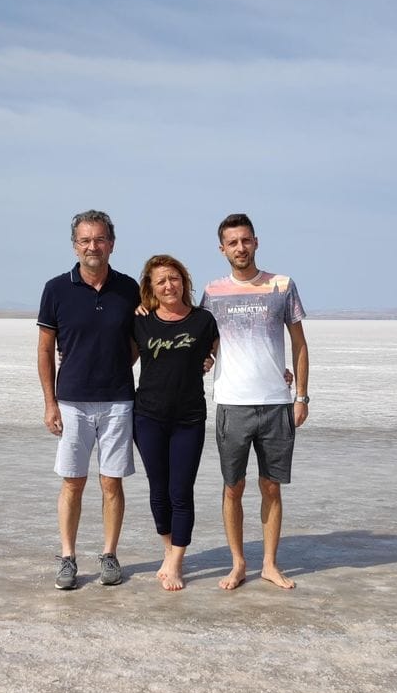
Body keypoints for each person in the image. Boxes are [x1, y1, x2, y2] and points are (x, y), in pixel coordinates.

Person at [201, 213, 309, 591]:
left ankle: (269, 564)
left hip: (276, 404)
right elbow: (206, 341)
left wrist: (301, 396)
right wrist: (206, 359)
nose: (240, 248)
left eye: (245, 240)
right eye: (232, 243)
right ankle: (237, 563)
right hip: (232, 404)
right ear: (222, 249)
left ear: (256, 242)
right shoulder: (212, 292)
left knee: (271, 487)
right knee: (233, 487)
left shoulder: (281, 285)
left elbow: (299, 343)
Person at [37, 211, 140, 590]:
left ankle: (109, 554)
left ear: (111, 244)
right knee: (73, 483)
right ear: (74, 245)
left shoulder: (129, 289)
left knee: (112, 483)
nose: (92, 247)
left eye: (99, 240)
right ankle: (67, 557)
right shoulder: (56, 289)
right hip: (72, 402)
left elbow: (139, 341)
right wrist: (50, 402)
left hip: (117, 402)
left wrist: (113, 366)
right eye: (85, 240)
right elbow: (45, 350)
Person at [132, 255, 219, 591]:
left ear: (184, 281)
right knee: (159, 489)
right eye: (161, 281)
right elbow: (120, 358)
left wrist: (281, 371)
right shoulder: (141, 322)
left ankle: (177, 562)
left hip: (188, 418)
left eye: (174, 278)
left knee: (181, 491)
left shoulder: (203, 321)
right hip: (148, 416)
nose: (169, 286)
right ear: (151, 289)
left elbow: (228, 355)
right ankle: (168, 550)